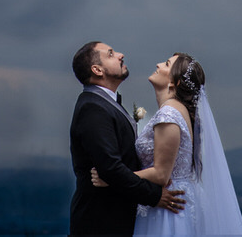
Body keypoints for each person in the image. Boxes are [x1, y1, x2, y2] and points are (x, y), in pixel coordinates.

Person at [91, 53, 242, 236]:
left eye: (166, 64)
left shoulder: (169, 114)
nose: (158, 64)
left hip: (167, 208)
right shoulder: (176, 111)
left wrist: (113, 179)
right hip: (175, 202)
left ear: (175, 82)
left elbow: (161, 174)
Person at [69, 41, 187, 236]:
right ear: (97, 70)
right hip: (100, 223)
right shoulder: (92, 108)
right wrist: (155, 196)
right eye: (110, 54)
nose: (120, 54)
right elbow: (110, 169)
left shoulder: (104, 104)